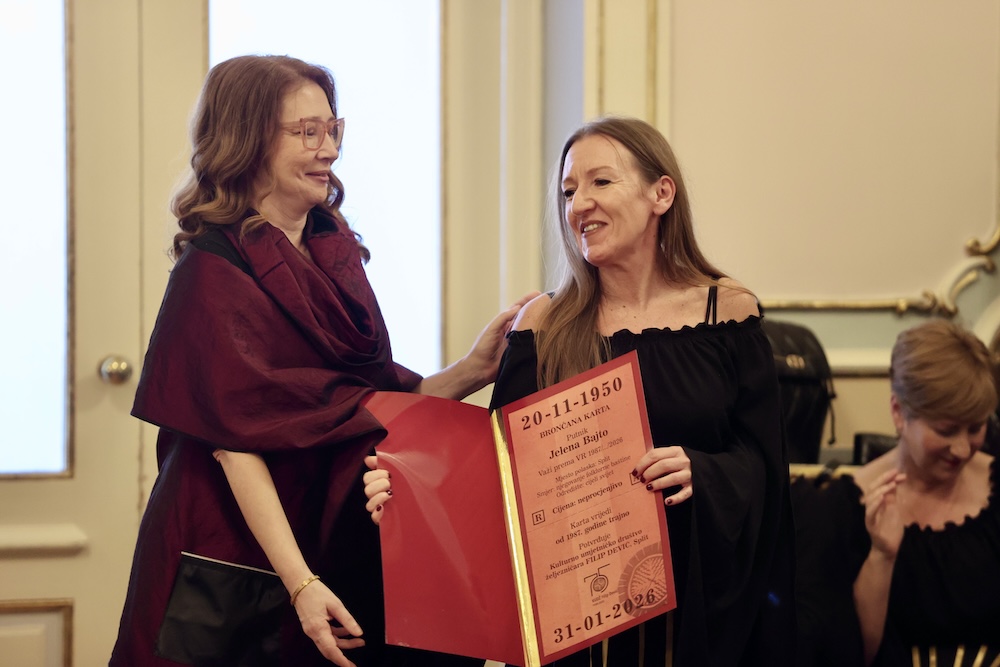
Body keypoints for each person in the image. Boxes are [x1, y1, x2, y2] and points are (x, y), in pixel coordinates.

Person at [109, 54, 529, 667]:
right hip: (233, 547)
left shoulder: (332, 249)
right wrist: (301, 583)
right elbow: (236, 446)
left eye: (332, 129)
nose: (328, 149)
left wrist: (473, 370)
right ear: (250, 141)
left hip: (326, 531)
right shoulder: (211, 271)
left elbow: (360, 405)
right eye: (307, 132)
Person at [365, 116, 796, 666]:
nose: (578, 205)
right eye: (569, 191)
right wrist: (406, 489)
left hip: (695, 619)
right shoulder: (543, 323)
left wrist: (704, 472)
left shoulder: (727, 311)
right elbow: (498, 479)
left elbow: (765, 465)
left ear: (661, 194)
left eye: (601, 182)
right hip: (577, 629)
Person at [799, 320, 1000, 666]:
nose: (963, 449)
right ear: (898, 412)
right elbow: (853, 655)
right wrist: (882, 556)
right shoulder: (841, 511)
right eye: (946, 430)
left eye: (975, 427)